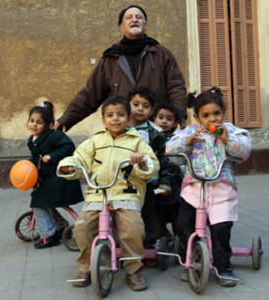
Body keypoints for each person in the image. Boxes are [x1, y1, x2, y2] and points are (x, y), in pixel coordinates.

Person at [57, 96, 159, 291]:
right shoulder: (95, 141)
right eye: (110, 115)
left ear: (128, 118)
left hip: (126, 192)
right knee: (82, 226)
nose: (115, 119)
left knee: (133, 228)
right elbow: (79, 158)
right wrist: (69, 167)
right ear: (103, 120)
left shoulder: (137, 141)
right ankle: (86, 266)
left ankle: (133, 270)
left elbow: (152, 165)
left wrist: (142, 161)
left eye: (121, 115)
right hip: (98, 193)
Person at [166, 87, 252, 287]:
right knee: (183, 225)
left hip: (221, 189)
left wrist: (226, 139)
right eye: (206, 115)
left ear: (223, 113)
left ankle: (224, 267)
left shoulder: (230, 130)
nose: (212, 119)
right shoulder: (189, 132)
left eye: (216, 114)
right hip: (194, 190)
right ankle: (190, 262)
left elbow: (245, 150)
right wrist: (187, 142)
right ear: (197, 117)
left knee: (221, 230)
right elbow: (170, 151)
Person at [55, 4, 187, 132]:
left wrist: (179, 115)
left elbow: (176, 87)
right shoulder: (110, 59)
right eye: (129, 17)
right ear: (121, 27)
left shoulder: (162, 54)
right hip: (122, 130)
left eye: (139, 17)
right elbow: (90, 94)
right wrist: (67, 119)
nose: (134, 19)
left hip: (155, 129)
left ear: (145, 25)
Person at [27, 101, 84, 249]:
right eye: (32, 121)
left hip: (60, 179)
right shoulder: (31, 140)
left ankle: (49, 236)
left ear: (46, 125)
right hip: (47, 178)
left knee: (38, 203)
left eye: (39, 123)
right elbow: (35, 160)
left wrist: (52, 156)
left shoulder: (53, 136)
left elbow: (69, 146)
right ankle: (59, 225)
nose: (34, 125)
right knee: (44, 200)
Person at [127, 86, 175, 250]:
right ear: (128, 105)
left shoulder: (156, 132)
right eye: (136, 104)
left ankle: (150, 247)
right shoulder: (119, 128)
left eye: (145, 106)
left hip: (149, 182)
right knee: (127, 216)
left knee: (150, 216)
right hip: (125, 182)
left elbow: (165, 159)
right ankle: (126, 245)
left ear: (151, 110)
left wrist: (165, 182)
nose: (140, 109)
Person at [153, 102, 183, 238]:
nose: (164, 121)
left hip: (174, 182)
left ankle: (181, 243)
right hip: (157, 180)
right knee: (157, 213)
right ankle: (160, 240)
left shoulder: (179, 139)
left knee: (176, 212)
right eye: (161, 118)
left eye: (169, 119)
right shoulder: (152, 137)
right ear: (154, 119)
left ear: (175, 123)